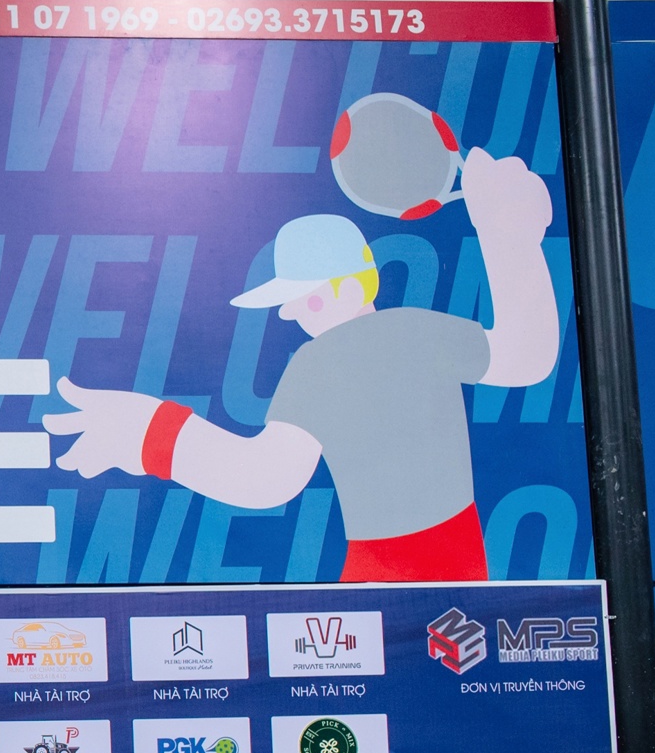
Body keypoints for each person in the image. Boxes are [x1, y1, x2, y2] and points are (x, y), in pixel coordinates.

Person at [45, 150, 557, 581]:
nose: (293, 314)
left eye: (307, 299)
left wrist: (149, 433)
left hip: (386, 573)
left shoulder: (318, 365)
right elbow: (527, 355)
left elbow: (267, 477)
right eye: (289, 304)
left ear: (355, 286)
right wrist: (508, 236)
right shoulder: (416, 330)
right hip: (460, 562)